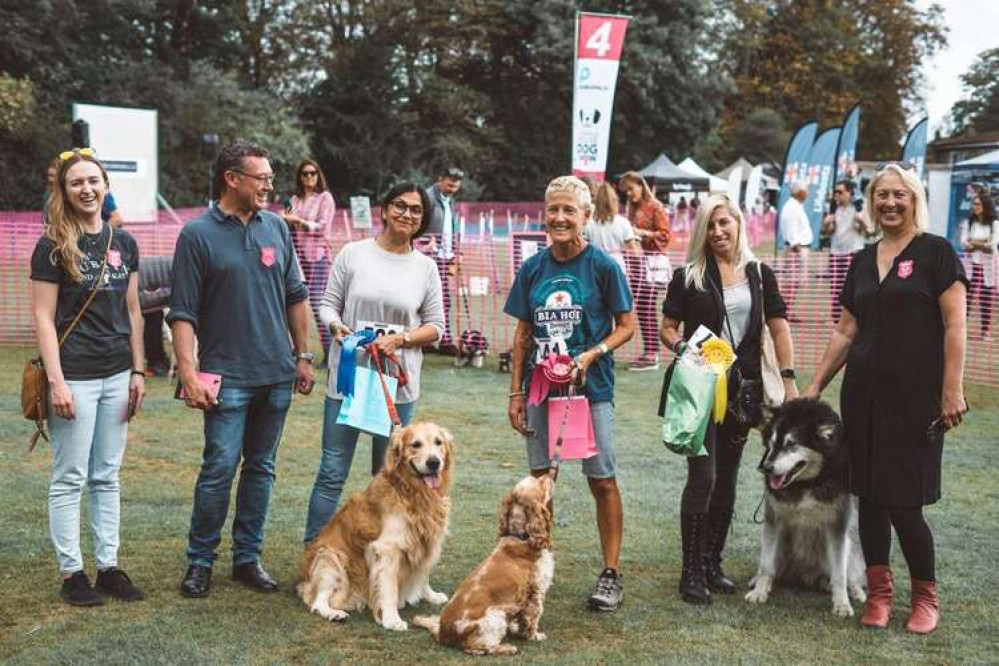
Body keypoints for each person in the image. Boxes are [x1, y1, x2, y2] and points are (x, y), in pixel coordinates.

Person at [803, 163, 968, 635]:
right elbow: (845, 330)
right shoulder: (861, 259)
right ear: (871, 203)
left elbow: (955, 325)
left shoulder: (937, 253)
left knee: (903, 504)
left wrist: (951, 389)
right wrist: (815, 385)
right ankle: (879, 595)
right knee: (870, 500)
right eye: (881, 196)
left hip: (916, 401)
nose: (890, 203)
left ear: (914, 199)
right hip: (863, 399)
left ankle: (924, 597)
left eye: (899, 195)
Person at [168, 139, 315, 598]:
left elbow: (296, 296)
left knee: (261, 469)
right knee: (218, 469)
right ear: (233, 179)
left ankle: (247, 559)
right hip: (225, 380)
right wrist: (188, 373)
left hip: (276, 376)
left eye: (272, 178)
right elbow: (183, 313)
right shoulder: (197, 235)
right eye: (262, 178)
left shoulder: (277, 228)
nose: (270, 186)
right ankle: (200, 562)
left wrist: (303, 356)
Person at [505, 175, 636, 612]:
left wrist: (591, 354)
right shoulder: (534, 268)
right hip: (541, 391)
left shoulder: (603, 266)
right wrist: (515, 393)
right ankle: (538, 564)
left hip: (590, 390)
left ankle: (611, 574)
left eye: (569, 211)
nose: (559, 218)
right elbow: (522, 333)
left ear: (585, 216)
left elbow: (627, 326)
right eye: (553, 210)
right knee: (542, 484)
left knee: (601, 480)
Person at [660, 192, 797, 605]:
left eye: (726, 222)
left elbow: (779, 326)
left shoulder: (759, 273)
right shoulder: (689, 276)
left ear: (739, 223)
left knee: (729, 480)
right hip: (700, 392)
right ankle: (691, 572)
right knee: (704, 476)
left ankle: (712, 561)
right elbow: (667, 326)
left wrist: (789, 382)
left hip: (745, 394)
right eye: (712, 224)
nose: (719, 231)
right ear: (702, 229)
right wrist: (686, 347)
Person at [31, 149, 146, 606]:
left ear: (106, 185)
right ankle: (72, 573)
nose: (87, 189)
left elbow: (134, 311)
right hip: (74, 375)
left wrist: (138, 371)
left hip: (118, 372)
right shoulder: (53, 246)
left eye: (94, 180)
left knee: (107, 475)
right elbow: (42, 319)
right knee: (69, 476)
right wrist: (57, 381)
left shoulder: (126, 244)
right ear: (64, 190)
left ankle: (109, 567)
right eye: (76, 182)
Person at [304, 182, 445, 543]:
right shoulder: (353, 254)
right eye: (400, 205)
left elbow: (437, 328)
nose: (407, 214)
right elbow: (327, 304)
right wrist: (336, 326)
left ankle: (382, 556)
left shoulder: (426, 268)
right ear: (385, 209)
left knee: (389, 476)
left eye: (416, 210)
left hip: (396, 387)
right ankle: (315, 550)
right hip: (349, 381)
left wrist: (401, 339)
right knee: (332, 471)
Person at [284, 159, 337, 365]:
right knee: (292, 301)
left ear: (318, 175)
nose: (309, 177)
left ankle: (330, 352)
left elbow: (323, 228)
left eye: (313, 173)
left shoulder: (325, 198)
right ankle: (292, 350)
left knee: (317, 303)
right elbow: (287, 221)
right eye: (305, 173)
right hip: (298, 257)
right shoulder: (295, 200)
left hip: (318, 257)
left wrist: (298, 221)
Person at [619, 171, 671, 371]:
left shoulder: (655, 207)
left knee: (647, 305)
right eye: (626, 192)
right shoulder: (631, 208)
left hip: (654, 261)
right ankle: (650, 351)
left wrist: (643, 233)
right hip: (637, 262)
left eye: (631, 189)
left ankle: (652, 353)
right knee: (641, 307)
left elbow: (665, 235)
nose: (629, 194)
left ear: (641, 185)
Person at [424, 167, 465, 352]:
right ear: (440, 179)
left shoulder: (449, 200)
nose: (454, 183)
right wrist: (425, 243)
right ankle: (430, 340)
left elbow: (450, 228)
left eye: (457, 180)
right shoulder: (428, 197)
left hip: (444, 257)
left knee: (443, 299)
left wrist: (455, 252)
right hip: (428, 255)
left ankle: (442, 338)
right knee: (428, 299)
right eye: (450, 179)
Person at [822, 180, 872, 323]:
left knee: (853, 286)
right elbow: (829, 232)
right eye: (835, 192)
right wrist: (826, 224)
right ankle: (837, 320)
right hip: (836, 253)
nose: (836, 195)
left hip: (853, 252)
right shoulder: (834, 208)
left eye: (840, 192)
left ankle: (855, 318)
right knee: (836, 287)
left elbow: (869, 232)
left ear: (850, 193)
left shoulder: (859, 208)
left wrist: (861, 221)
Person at [959, 191, 998, 340]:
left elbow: (993, 243)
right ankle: (961, 327)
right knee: (966, 296)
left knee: (986, 297)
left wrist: (974, 243)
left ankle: (985, 331)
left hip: (988, 265)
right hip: (972, 264)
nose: (974, 207)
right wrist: (982, 243)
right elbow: (964, 243)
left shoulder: (994, 223)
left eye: (977, 204)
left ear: (985, 206)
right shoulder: (969, 222)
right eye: (973, 204)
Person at [583, 181, 641, 274]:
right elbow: (634, 254)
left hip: (594, 267)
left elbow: (583, 250)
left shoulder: (587, 223)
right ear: (614, 201)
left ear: (596, 202)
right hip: (618, 267)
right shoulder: (623, 223)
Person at [779, 181, 813, 320]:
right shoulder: (792, 207)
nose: (808, 193)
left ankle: (788, 309)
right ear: (800, 192)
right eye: (806, 190)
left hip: (798, 249)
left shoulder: (796, 206)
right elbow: (792, 233)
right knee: (791, 282)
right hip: (796, 250)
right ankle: (785, 311)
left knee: (794, 283)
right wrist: (798, 252)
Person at [138, 254, 173, 377]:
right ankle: (156, 364)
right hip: (142, 288)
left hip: (148, 289)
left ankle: (158, 362)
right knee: (152, 328)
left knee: (154, 325)